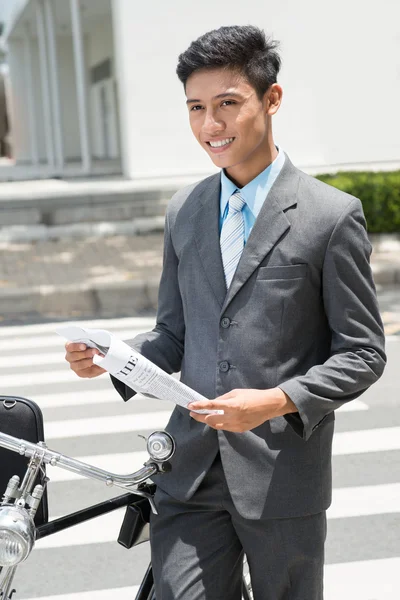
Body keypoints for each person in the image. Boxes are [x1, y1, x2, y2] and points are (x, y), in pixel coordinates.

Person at [65, 25, 386, 600]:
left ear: (272, 99)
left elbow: (363, 353)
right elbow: (174, 332)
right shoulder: (185, 211)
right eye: (196, 108)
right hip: (189, 472)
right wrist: (113, 358)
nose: (210, 126)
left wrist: (274, 401)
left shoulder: (330, 216)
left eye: (227, 105)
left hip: (283, 477)